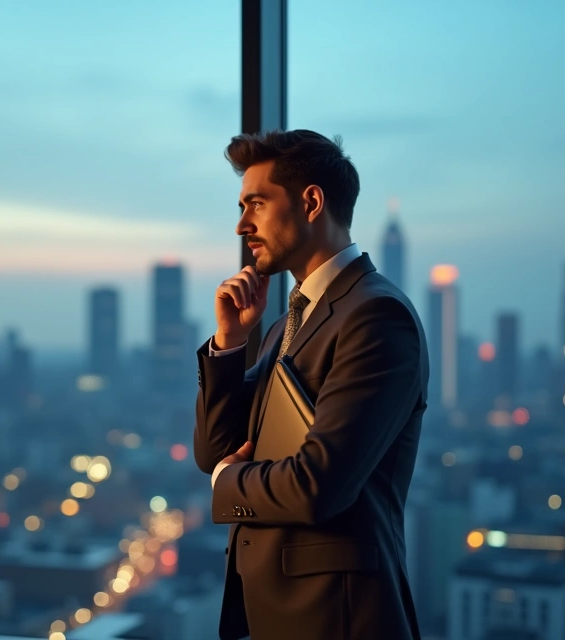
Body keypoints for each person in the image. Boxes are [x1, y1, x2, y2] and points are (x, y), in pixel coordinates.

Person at [194, 129, 428, 639]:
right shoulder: (287, 322)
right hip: (279, 613)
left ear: (312, 202)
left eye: (255, 204)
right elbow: (217, 449)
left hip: (338, 617)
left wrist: (224, 485)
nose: (241, 225)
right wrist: (230, 344)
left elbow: (319, 485)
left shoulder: (376, 315)